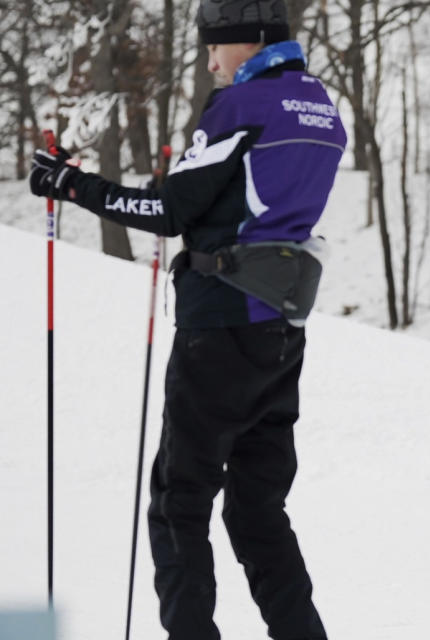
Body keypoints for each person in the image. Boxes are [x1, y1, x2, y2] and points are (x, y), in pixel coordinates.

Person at [29, 1, 345, 637]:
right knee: (257, 510)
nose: (209, 62)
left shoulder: (242, 106)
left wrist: (72, 184)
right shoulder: (320, 106)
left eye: (216, 49)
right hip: (280, 331)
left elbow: (169, 211)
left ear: (250, 43)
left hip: (220, 325)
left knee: (180, 504)